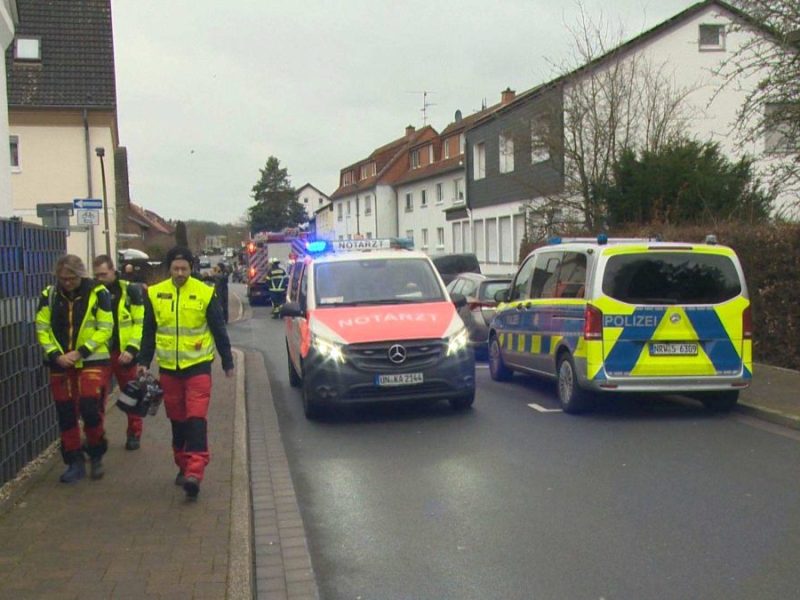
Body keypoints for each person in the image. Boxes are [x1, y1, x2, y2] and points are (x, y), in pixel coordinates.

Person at [136, 246, 234, 500]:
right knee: (177, 421)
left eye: (185, 268)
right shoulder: (156, 294)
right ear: (169, 269)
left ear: (192, 268)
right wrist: (143, 361)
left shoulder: (204, 292)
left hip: (199, 366)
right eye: (176, 268)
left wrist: (227, 361)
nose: (180, 272)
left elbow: (218, 328)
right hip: (169, 369)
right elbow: (148, 332)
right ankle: (182, 465)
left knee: (196, 418)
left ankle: (195, 470)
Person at [35, 255, 114, 483]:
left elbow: (105, 327)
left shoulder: (99, 293)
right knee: (66, 413)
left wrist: (80, 352)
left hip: (91, 360)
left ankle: (96, 450)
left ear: (80, 276)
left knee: (90, 408)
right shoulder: (49, 295)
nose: (67, 283)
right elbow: (42, 327)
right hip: (60, 363)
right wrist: (55, 355)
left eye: (71, 279)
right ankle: (73, 461)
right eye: (63, 279)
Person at [92, 254, 146, 450]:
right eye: (96, 275)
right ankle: (96, 436)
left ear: (113, 271)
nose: (100, 279)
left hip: (124, 353)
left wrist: (132, 349)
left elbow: (139, 323)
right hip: (100, 354)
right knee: (97, 397)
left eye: (103, 274)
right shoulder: (93, 292)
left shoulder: (129, 290)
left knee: (130, 394)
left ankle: (134, 433)